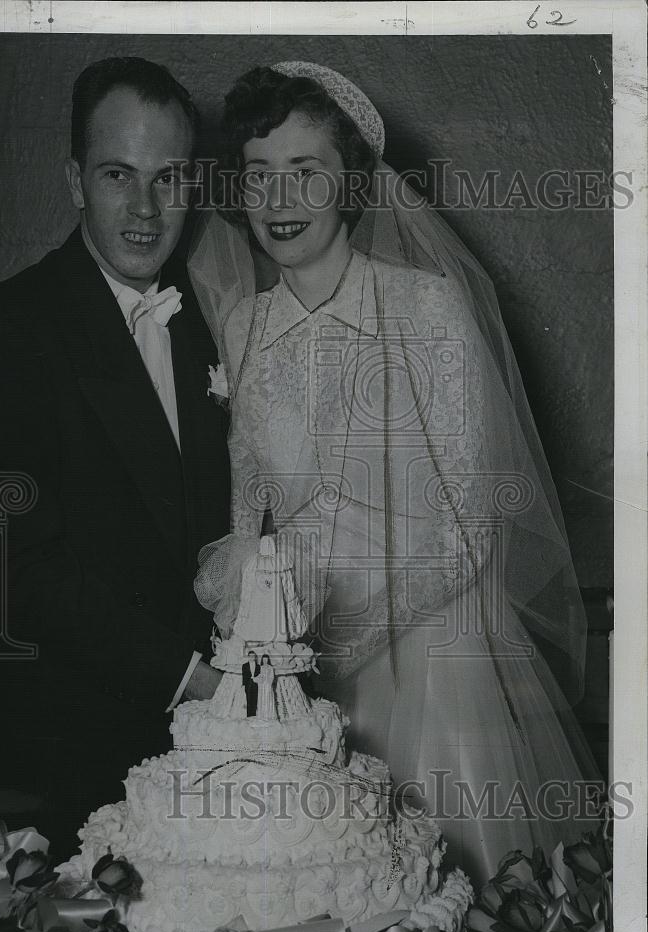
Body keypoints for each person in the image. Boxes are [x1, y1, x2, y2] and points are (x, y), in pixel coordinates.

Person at [190, 62, 601, 885]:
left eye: (306, 172)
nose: (280, 200)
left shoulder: (425, 308)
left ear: (352, 184)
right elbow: (250, 511)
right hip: (294, 670)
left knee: (438, 895)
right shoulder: (241, 321)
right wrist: (254, 630)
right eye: (260, 174)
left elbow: (470, 524)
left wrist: (345, 639)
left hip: (430, 660)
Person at [0, 57, 229, 861]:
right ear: (74, 181)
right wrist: (191, 680)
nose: (145, 209)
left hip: (200, 767)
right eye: (116, 174)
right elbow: (8, 572)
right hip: (61, 769)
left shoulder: (205, 322)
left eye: (169, 176)